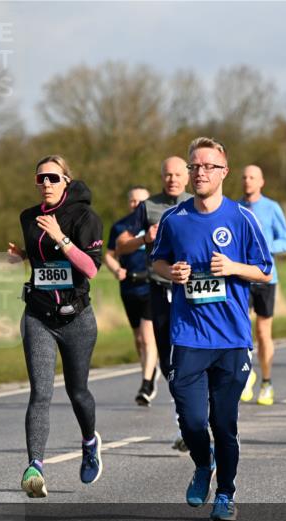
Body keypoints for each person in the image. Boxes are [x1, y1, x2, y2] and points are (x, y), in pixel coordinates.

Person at [150, 137, 273, 521]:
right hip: (187, 336)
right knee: (191, 421)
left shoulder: (241, 218)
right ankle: (203, 465)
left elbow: (266, 270)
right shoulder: (175, 219)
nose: (200, 173)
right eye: (194, 166)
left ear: (224, 172)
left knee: (223, 421)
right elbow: (157, 262)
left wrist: (234, 267)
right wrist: (172, 272)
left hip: (232, 339)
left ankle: (226, 493)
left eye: (208, 167)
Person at [8, 155, 104, 498]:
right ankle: (35, 466)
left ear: (66, 180)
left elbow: (90, 269)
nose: (45, 184)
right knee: (40, 392)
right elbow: (43, 260)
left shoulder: (85, 217)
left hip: (77, 318)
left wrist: (62, 238)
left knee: (78, 392)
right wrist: (23, 254)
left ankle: (90, 441)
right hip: (38, 315)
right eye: (40, 179)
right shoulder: (28, 216)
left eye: (52, 178)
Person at [114, 157, 192, 449]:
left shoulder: (197, 203)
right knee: (169, 361)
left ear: (187, 176)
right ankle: (184, 426)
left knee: (193, 357)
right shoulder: (149, 207)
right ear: (161, 177)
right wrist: (144, 237)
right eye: (167, 174)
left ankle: (195, 421)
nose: (172, 179)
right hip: (159, 290)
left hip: (193, 293)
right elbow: (121, 243)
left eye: (177, 174)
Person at [239, 165, 286, 405]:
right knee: (240, 329)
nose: (247, 181)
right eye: (244, 177)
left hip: (265, 278)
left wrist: (266, 249)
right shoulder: (235, 207)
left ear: (261, 182)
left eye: (252, 177)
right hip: (240, 276)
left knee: (263, 332)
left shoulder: (271, 208)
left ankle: (267, 382)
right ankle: (246, 373)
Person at [104, 186, 158, 405]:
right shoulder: (120, 227)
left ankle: (147, 382)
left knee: (147, 336)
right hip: (129, 286)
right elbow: (108, 255)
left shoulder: (155, 226)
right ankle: (149, 369)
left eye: (141, 202)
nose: (136, 205)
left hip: (151, 284)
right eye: (133, 201)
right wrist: (116, 268)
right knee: (138, 338)